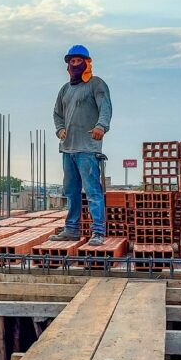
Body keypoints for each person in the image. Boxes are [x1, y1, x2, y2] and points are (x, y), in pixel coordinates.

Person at [50, 45, 112, 247]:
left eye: (78, 61)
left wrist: (101, 126)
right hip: (68, 149)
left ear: (87, 63)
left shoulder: (96, 84)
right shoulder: (65, 90)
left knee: (93, 190)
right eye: (72, 62)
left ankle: (98, 232)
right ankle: (72, 229)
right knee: (71, 190)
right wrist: (60, 130)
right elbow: (57, 114)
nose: (75, 64)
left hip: (88, 148)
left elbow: (105, 107)